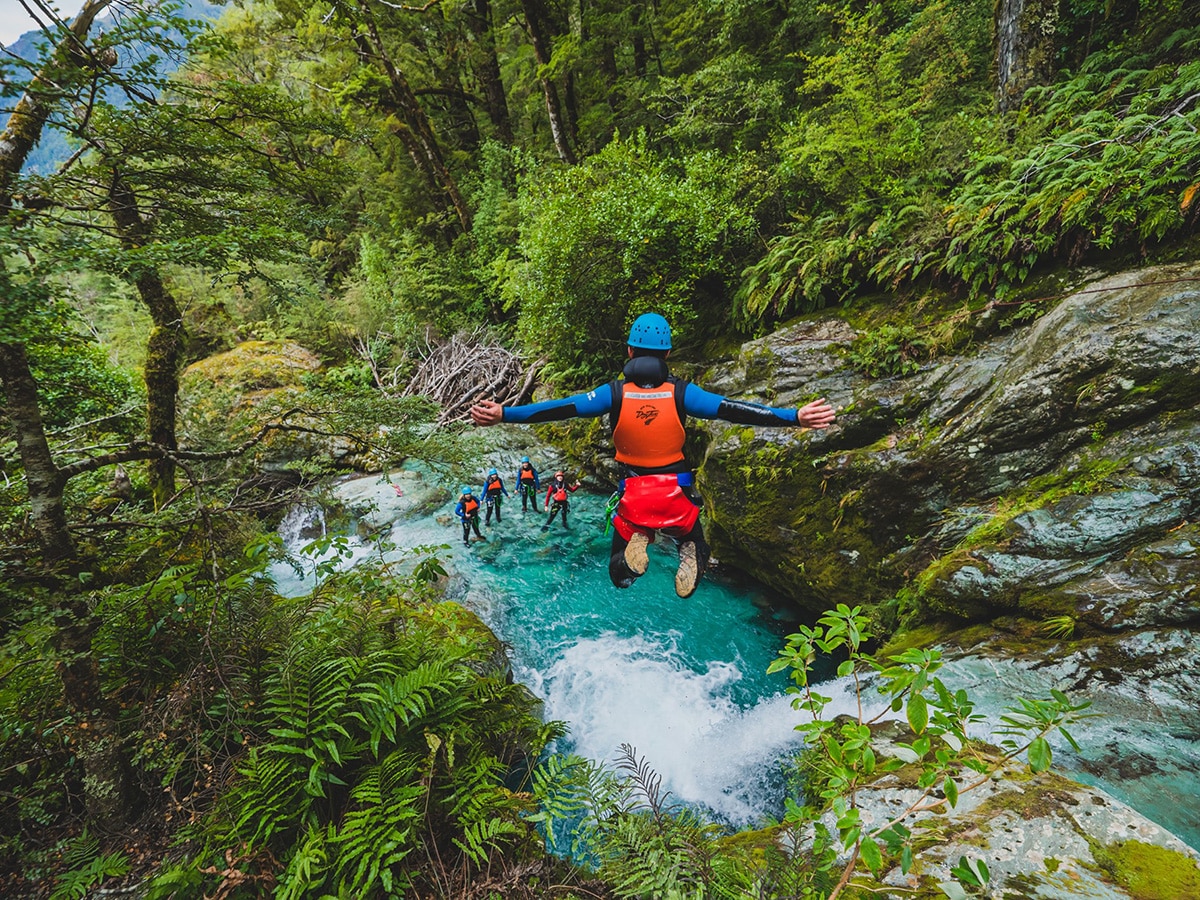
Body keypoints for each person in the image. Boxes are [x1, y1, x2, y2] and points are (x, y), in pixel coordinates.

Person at [471, 312, 836, 597]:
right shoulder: (682, 394)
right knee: (696, 542)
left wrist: (504, 414)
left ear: (629, 352)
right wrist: (795, 417)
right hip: (677, 493)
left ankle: (638, 542)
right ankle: (688, 548)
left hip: (634, 494)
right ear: (667, 355)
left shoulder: (612, 394)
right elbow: (733, 408)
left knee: (618, 574)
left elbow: (560, 408)